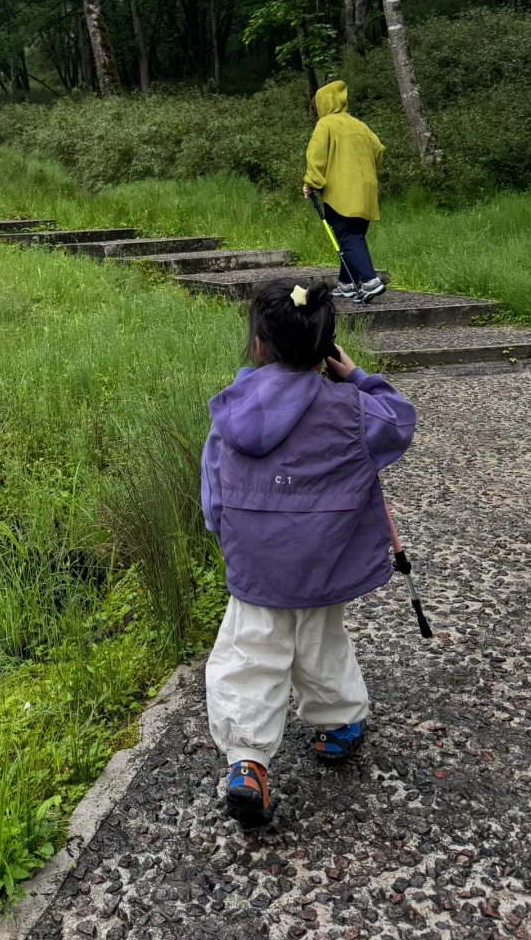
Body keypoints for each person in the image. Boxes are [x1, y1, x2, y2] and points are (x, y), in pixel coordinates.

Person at [202, 278, 417, 828]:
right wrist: (359, 378)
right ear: (327, 350)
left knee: (249, 654)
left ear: (257, 345)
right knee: (322, 641)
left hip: (256, 563)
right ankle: (338, 726)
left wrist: (228, 540)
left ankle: (248, 762)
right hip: (325, 560)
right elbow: (400, 421)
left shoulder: (233, 411)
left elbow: (214, 490)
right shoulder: (352, 408)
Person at [303, 79, 385, 299]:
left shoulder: (326, 124)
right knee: (354, 236)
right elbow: (379, 149)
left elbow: (316, 155)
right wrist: (366, 172)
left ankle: (370, 281)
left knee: (348, 236)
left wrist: (311, 182)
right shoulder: (360, 125)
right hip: (366, 190)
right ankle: (347, 283)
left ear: (324, 103)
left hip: (341, 192)